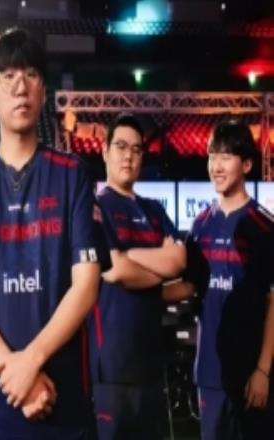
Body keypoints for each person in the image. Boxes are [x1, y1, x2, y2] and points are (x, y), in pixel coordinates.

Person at [0, 27, 103, 439]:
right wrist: (15, 373)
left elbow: (86, 285)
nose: (20, 87)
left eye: (30, 75)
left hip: (61, 397)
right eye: (8, 76)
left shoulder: (72, 175)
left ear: (43, 90)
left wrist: (32, 361)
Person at [163, 120, 274, 440]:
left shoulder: (263, 226)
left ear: (247, 164)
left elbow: (272, 300)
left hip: (252, 374)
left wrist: (263, 370)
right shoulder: (200, 225)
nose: (216, 166)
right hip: (210, 373)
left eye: (225, 156)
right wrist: (135, 295)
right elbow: (189, 285)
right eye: (212, 156)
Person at [88, 113, 186, 440]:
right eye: (120, 147)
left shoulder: (154, 210)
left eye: (136, 149)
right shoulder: (94, 207)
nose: (128, 156)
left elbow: (178, 262)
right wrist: (158, 267)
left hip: (151, 365)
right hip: (111, 366)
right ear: (104, 151)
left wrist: (128, 255)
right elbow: (114, 271)